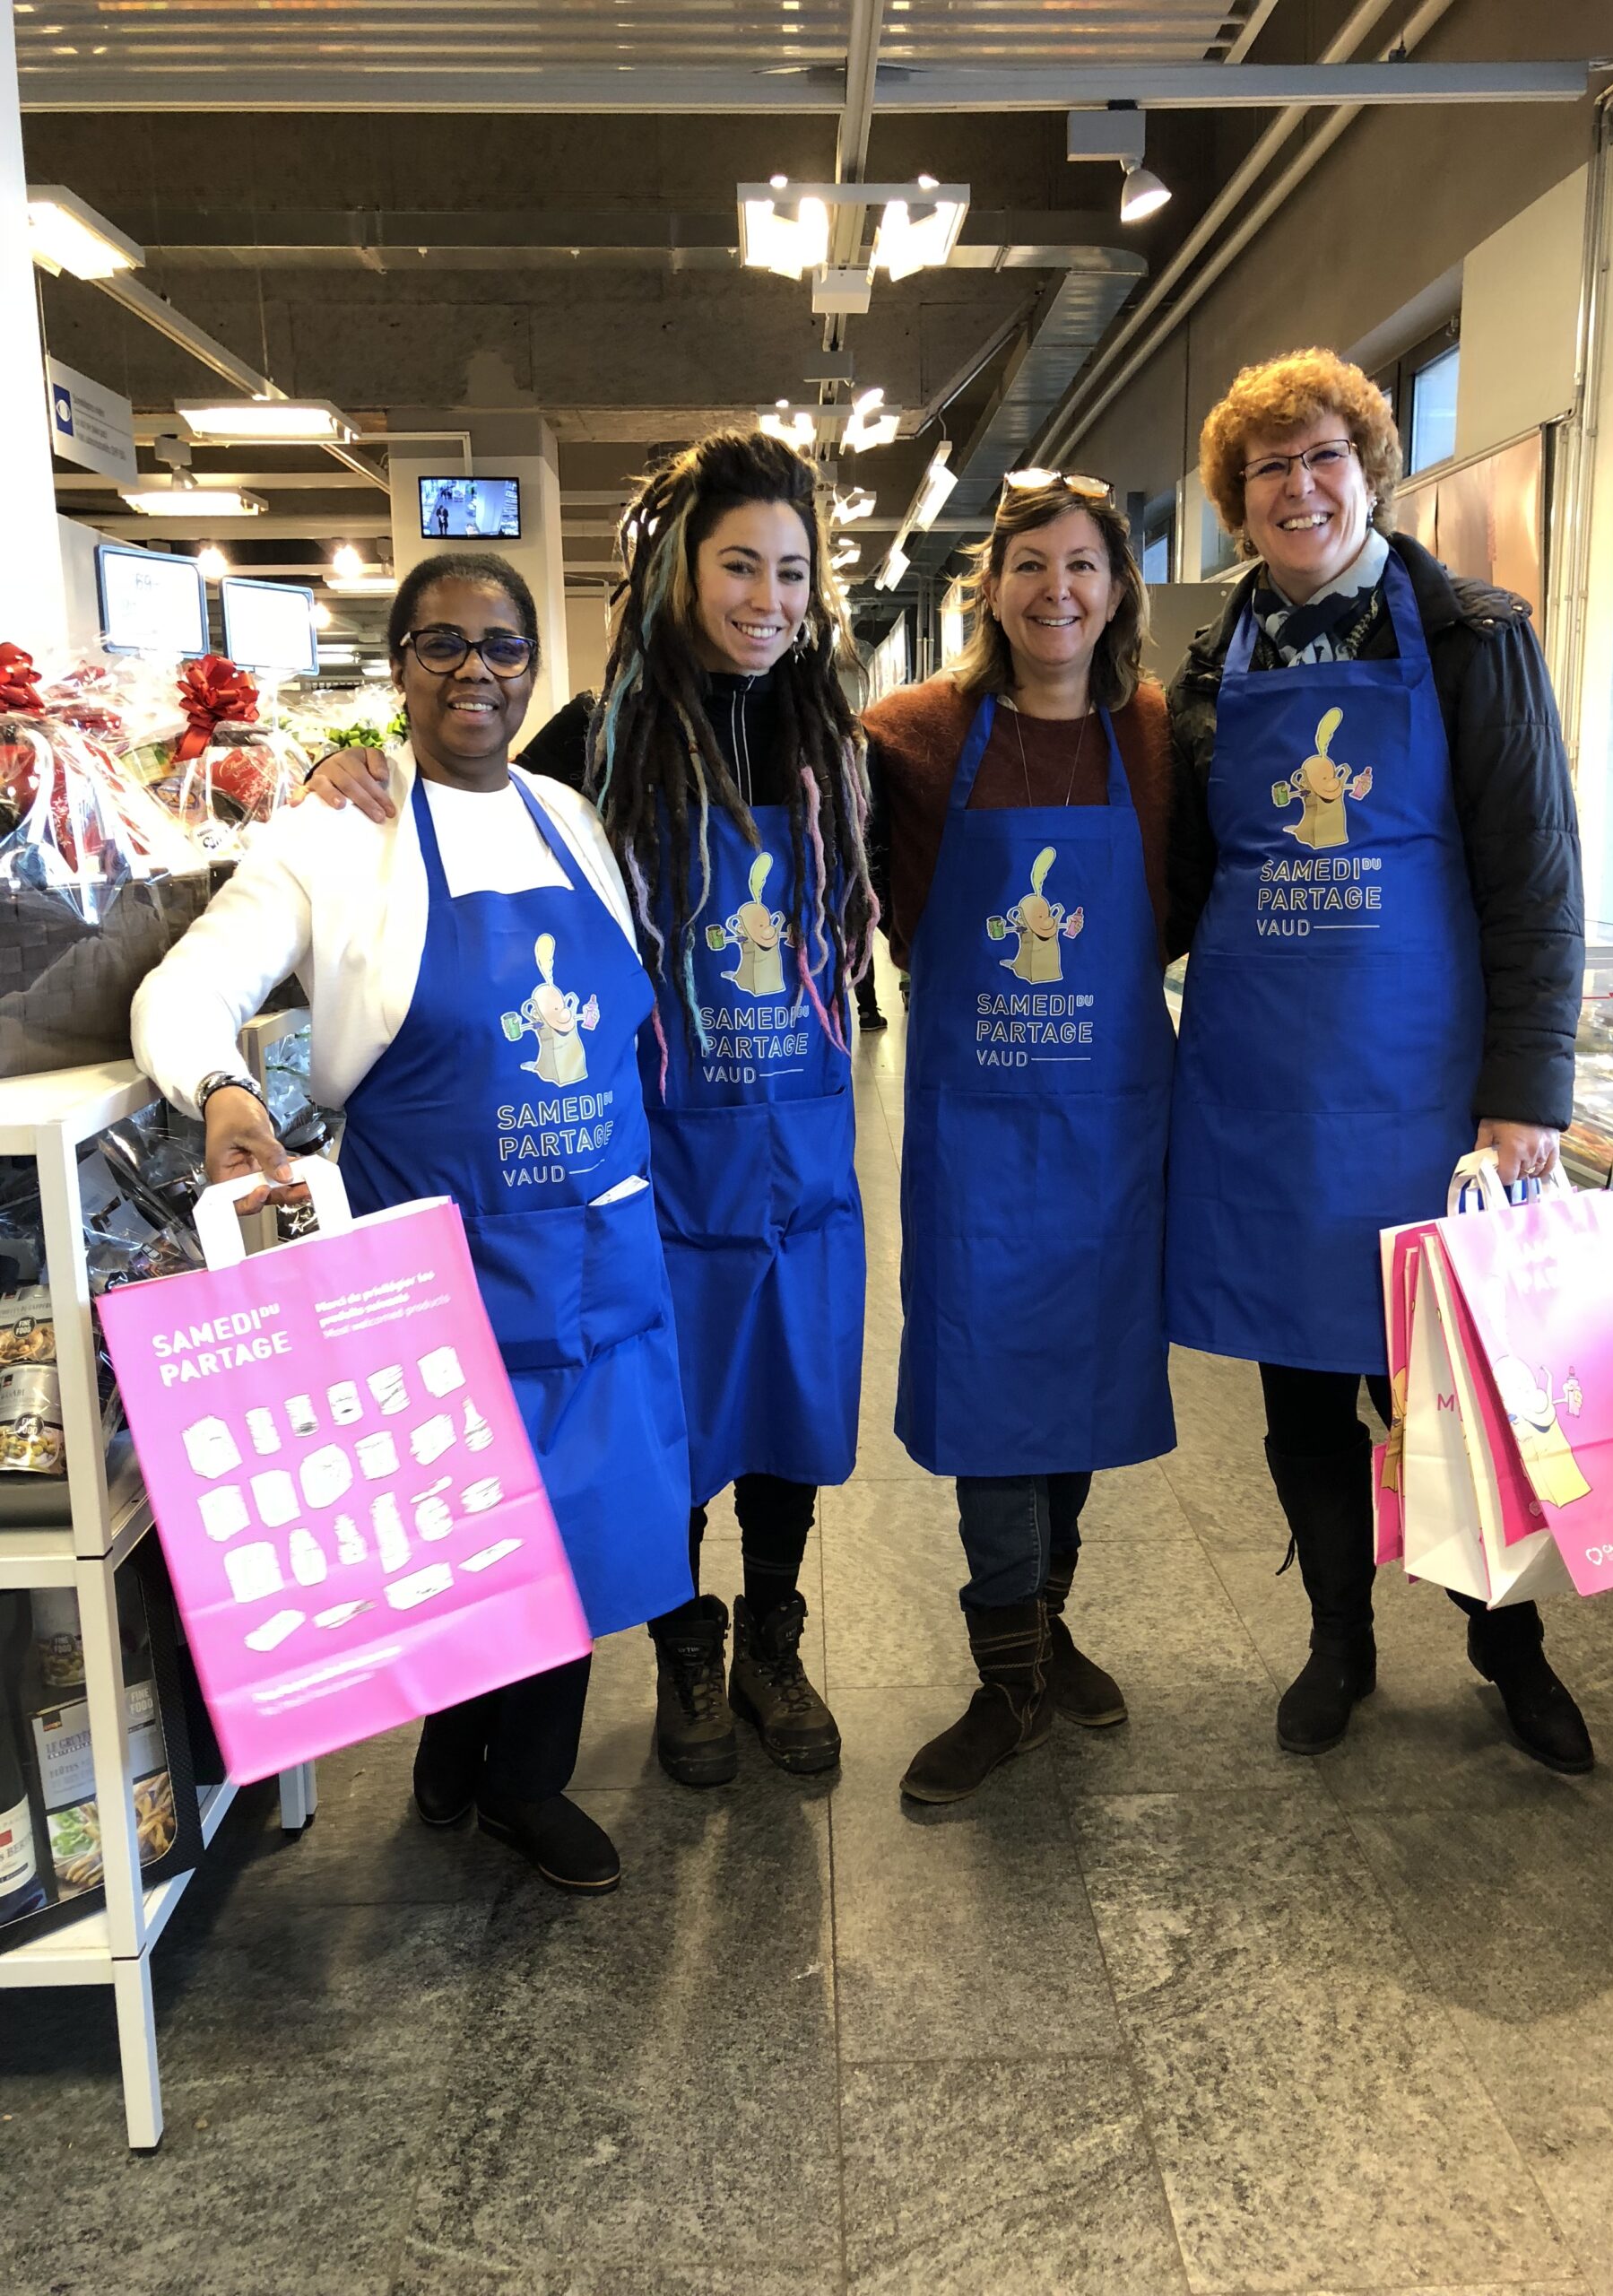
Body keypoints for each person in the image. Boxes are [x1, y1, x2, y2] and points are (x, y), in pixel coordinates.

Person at [308, 431, 873, 1789]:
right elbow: (460, 789)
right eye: (739, 565)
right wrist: (345, 772)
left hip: (799, 1153)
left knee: (790, 1403)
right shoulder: (592, 744)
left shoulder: (837, 744)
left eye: (792, 572)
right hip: (652, 1162)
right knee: (659, 1423)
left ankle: (774, 1640)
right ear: (681, 571)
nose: (768, 598)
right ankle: (686, 1646)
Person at [133, 552, 693, 1892]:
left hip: (597, 1250)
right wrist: (219, 1092)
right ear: (398, 665)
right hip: (436, 1263)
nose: (474, 672)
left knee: (580, 1525)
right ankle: (468, 1746)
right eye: (441, 644)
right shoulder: (337, 836)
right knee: (455, 1517)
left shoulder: (571, 819)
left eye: (502, 647)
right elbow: (184, 990)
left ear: (533, 669)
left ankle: (518, 1780)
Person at [1163, 346, 1592, 1773]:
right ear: (1238, 501)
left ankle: (1507, 1643)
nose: (1300, 488)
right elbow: (1182, 883)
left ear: (1369, 471)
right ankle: (1337, 1641)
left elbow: (1535, 876)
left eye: (1324, 456)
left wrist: (1525, 1091)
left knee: (1455, 1388)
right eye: (1268, 469)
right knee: (1301, 1392)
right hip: (1267, 1096)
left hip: (1431, 1096)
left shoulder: (1472, 636)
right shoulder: (1209, 669)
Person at [863, 472, 1176, 1803]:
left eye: (1084, 564)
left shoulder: (1157, 732)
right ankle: (1008, 1678)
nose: (1059, 589)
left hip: (1110, 1127)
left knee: (1082, 1377)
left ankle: (1045, 1630)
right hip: (978, 1137)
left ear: (1117, 588)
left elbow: (1192, 896)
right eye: (1031, 564)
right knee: (992, 1383)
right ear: (989, 588)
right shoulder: (911, 734)